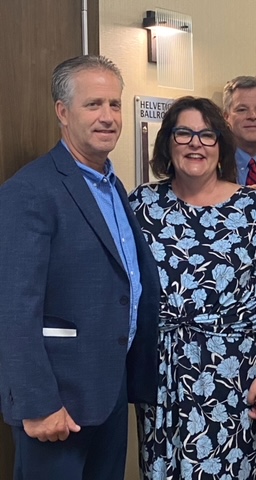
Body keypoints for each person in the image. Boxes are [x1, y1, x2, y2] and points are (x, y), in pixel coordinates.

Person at [0, 55, 160, 479]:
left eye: (114, 104)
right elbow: (14, 309)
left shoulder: (112, 185)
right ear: (62, 112)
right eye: (94, 105)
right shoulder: (31, 191)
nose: (108, 117)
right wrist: (37, 403)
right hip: (57, 404)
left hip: (107, 392)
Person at [129, 96, 256, 480]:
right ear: (167, 144)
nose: (195, 143)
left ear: (221, 146)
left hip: (232, 372)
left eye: (207, 135)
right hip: (162, 371)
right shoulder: (143, 203)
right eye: (184, 133)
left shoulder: (253, 208)